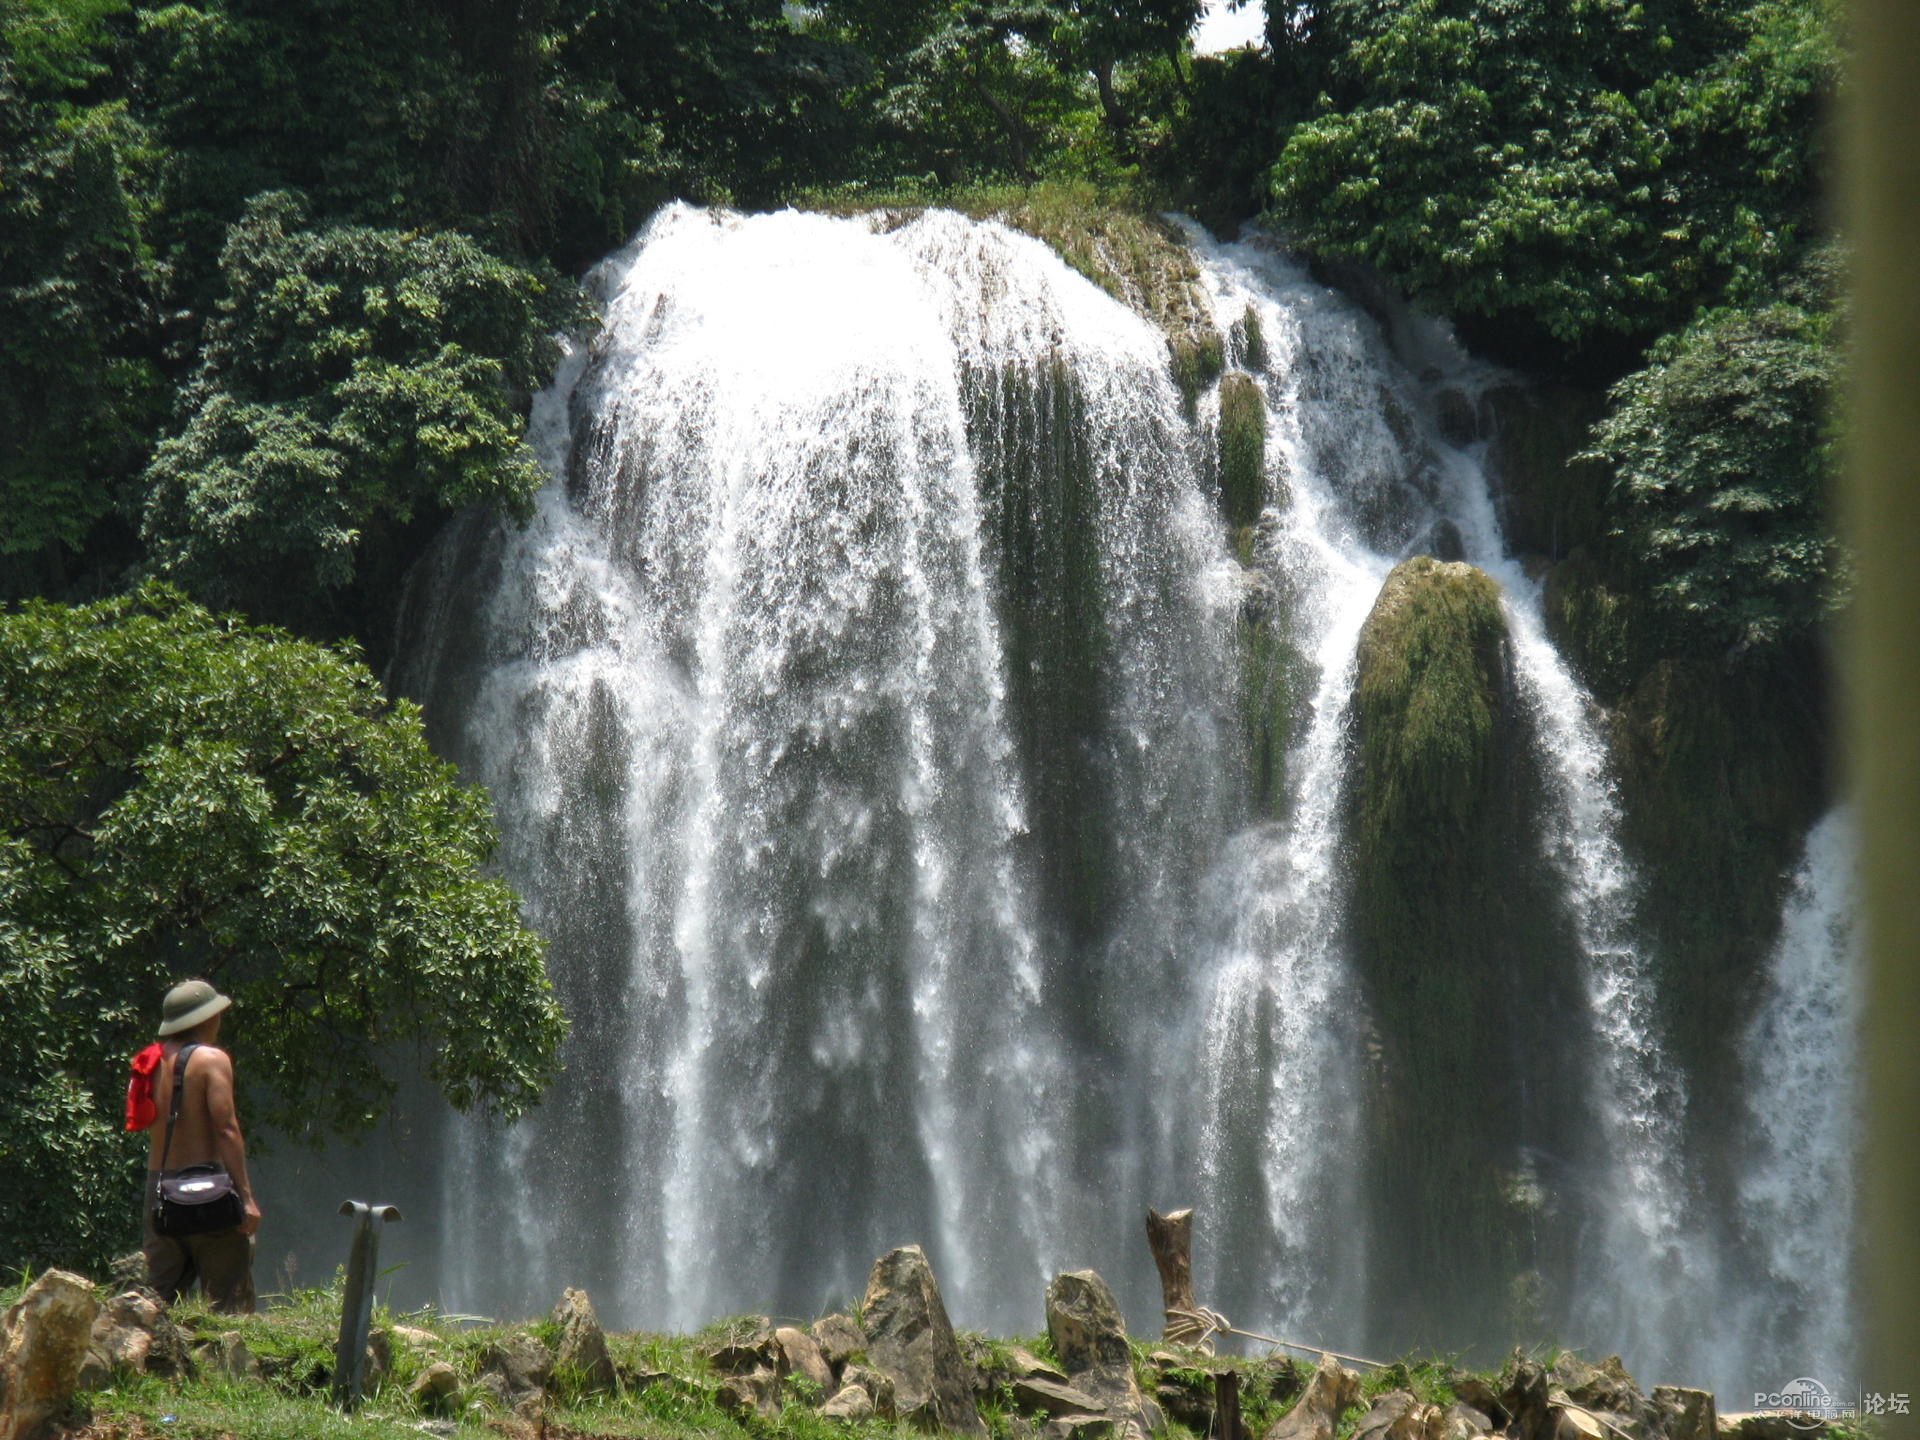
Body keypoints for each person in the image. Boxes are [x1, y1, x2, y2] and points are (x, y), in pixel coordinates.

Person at [139, 979, 262, 1312]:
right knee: (228, 1304)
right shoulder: (211, 1059)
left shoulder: (148, 1062)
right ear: (206, 1019)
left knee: (155, 1304)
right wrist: (247, 1198)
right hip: (209, 1191)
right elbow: (226, 1128)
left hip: (160, 1189)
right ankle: (225, 1365)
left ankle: (138, 1361)